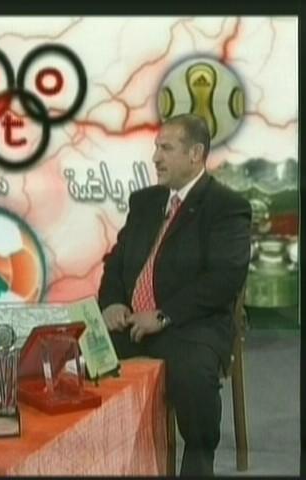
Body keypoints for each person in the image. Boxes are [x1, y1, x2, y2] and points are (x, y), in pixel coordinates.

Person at [98, 113, 251, 476]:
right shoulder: (145, 202)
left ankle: (198, 462)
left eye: (166, 148)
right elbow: (116, 262)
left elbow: (224, 279)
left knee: (192, 374)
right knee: (80, 357)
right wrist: (113, 301)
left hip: (192, 324)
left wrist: (163, 315)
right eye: (156, 147)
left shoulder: (226, 206)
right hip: (132, 322)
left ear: (195, 154)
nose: (156, 158)